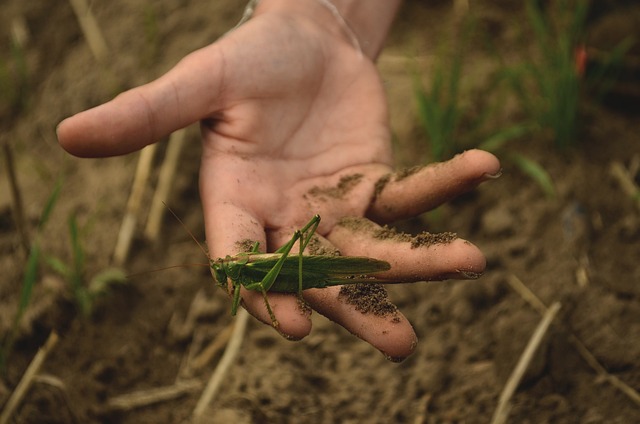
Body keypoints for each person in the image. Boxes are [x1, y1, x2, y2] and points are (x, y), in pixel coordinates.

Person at [56, 0, 501, 361]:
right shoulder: (241, 264)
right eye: (219, 269)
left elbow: (262, 294)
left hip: (290, 264)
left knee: (296, 265)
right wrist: (313, 15)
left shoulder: (244, 267)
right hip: (290, 266)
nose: (219, 269)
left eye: (220, 268)